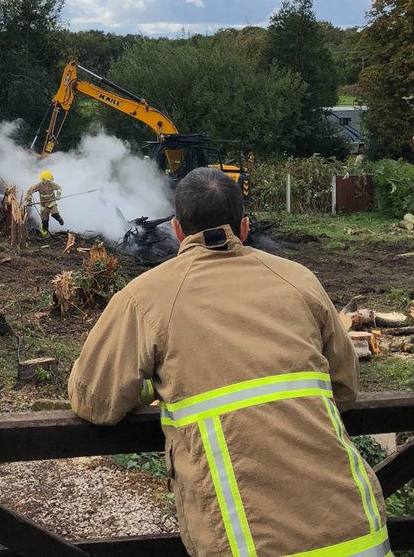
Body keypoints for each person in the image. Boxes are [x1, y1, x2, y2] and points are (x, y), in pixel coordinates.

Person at [68, 167, 387, 557]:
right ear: (245, 225)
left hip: (247, 544)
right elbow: (345, 386)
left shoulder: (144, 297)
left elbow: (95, 401)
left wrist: (156, 384)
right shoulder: (299, 280)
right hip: (357, 531)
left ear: (177, 230)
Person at [25, 169, 64, 237]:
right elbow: (29, 191)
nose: (48, 181)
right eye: (47, 180)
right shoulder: (39, 185)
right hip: (44, 206)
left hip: (52, 203)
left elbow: (59, 188)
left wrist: (58, 195)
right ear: (43, 179)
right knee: (45, 221)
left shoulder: (52, 184)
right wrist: (29, 201)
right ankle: (45, 235)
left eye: (49, 180)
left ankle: (59, 219)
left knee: (55, 214)